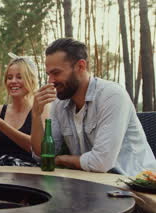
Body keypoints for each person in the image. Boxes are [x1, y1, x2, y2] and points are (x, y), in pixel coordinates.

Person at [31, 38, 156, 175]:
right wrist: (36, 115)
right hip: (94, 183)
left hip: (135, 184)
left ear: (81, 66)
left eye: (56, 73)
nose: (51, 81)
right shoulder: (60, 103)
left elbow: (101, 163)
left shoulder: (111, 95)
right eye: (48, 74)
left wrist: (62, 159)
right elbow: (43, 155)